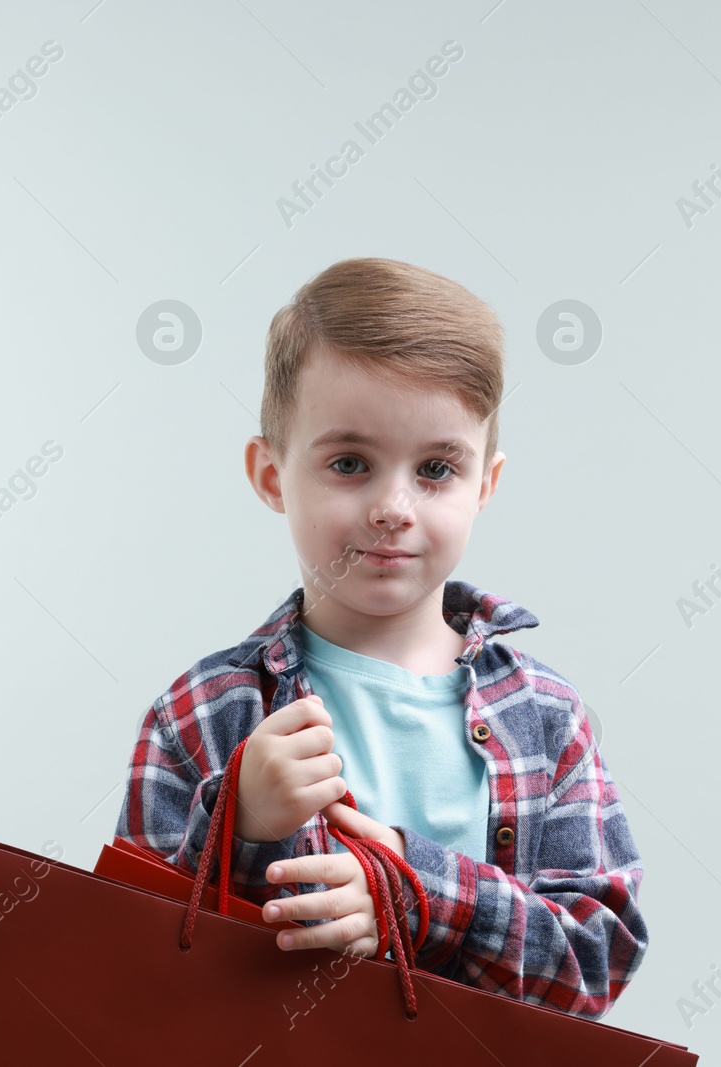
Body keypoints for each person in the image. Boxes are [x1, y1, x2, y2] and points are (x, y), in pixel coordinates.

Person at [113, 257, 648, 1020]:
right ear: (270, 475)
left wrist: (415, 892)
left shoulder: (545, 715)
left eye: (435, 469)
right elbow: (129, 969)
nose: (393, 506)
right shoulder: (203, 712)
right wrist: (238, 828)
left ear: (485, 486)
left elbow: (597, 961)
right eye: (350, 463)